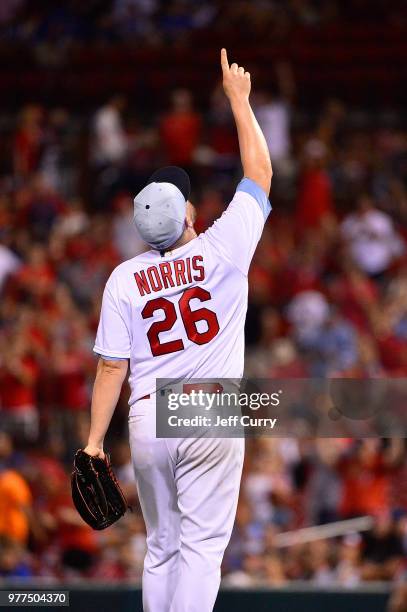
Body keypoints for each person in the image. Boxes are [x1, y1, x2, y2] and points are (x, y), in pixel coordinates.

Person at [83, 48, 272, 611]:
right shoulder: (223, 247)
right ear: (188, 213)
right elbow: (259, 172)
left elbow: (110, 366)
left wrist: (94, 442)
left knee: (161, 547)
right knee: (201, 547)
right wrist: (238, 99)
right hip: (208, 408)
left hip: (146, 417)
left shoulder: (124, 277)